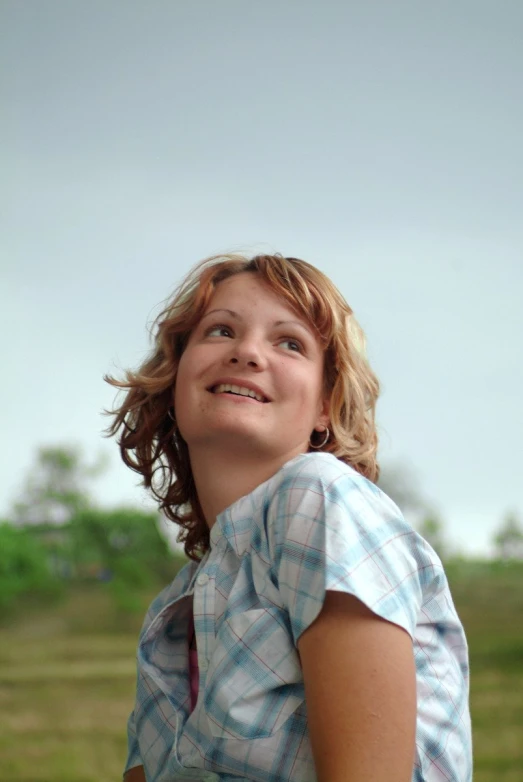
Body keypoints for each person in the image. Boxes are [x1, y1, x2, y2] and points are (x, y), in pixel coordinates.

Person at [106, 252, 472, 782]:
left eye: (289, 342)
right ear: (176, 376)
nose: (248, 352)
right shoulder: (170, 615)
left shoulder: (320, 500)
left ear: (325, 405)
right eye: (220, 331)